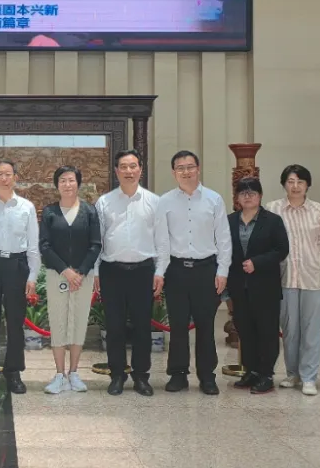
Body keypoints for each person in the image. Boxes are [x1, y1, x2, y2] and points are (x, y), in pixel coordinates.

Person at [158, 150, 231, 396]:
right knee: (178, 325)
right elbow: (162, 241)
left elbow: (223, 238)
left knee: (205, 325)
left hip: (206, 270)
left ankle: (207, 376)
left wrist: (223, 271)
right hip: (176, 270)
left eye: (190, 167)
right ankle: (178, 374)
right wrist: (160, 272)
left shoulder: (214, 199)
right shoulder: (165, 201)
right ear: (173, 172)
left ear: (198, 169)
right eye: (180, 168)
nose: (186, 172)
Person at [93, 150, 164, 397]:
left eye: (133, 166)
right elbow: (98, 240)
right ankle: (117, 375)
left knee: (143, 327)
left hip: (143, 271)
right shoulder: (104, 202)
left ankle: (141, 376)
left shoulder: (154, 202)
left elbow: (162, 240)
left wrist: (160, 271)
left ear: (140, 169)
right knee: (114, 327)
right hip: (112, 271)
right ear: (116, 171)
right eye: (123, 166)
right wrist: (96, 272)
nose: (129, 171)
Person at [0, 159, 41, 395]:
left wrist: (33, 275)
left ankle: (14, 373)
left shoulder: (26, 207)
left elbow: (33, 244)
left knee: (15, 322)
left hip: (17, 265)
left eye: (8, 174)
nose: (4, 178)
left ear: (15, 178)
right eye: (0, 174)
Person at [266, 164, 320, 396]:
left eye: (300, 182)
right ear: (284, 184)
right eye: (291, 181)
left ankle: (309, 377)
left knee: (311, 330)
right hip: (284, 277)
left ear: (307, 185)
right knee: (289, 329)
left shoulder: (318, 209)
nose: (295, 186)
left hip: (312, 276)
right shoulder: (273, 209)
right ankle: (292, 373)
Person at [39, 165, 102, 394]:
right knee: (58, 322)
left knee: (78, 321)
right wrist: (66, 271)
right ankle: (59, 374)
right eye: (63, 180)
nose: (67, 184)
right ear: (57, 185)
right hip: (57, 275)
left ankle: (74, 373)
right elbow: (44, 246)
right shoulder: (49, 212)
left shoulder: (89, 211)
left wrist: (81, 272)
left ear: (78, 183)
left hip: (83, 277)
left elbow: (96, 244)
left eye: (71, 180)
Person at [226, 177, 290, 394]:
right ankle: (251, 370)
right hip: (239, 286)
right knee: (245, 330)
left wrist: (257, 262)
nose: (247, 196)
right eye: (243, 193)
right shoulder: (229, 221)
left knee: (267, 331)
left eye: (252, 192)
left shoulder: (272, 221)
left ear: (260, 196)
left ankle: (266, 374)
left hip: (265, 286)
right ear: (237, 197)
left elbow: (281, 249)